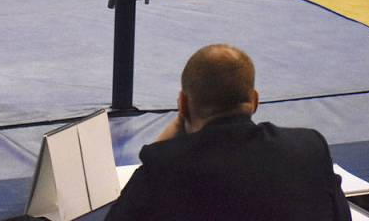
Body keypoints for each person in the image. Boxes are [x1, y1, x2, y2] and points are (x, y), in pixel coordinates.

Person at [106, 44, 350, 221]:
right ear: (254, 101)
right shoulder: (309, 147)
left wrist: (159, 150)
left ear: (182, 104)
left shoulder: (164, 167)